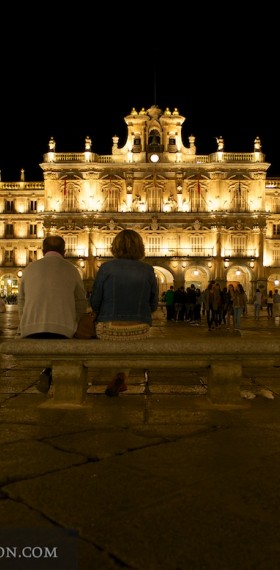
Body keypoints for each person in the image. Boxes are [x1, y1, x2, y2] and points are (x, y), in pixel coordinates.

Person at [89, 229, 158, 396]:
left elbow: (94, 302)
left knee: (113, 341)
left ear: (115, 247)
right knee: (128, 341)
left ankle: (118, 376)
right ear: (140, 248)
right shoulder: (148, 270)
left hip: (108, 327)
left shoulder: (106, 268)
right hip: (140, 328)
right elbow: (154, 305)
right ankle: (121, 376)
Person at [17, 235, 88, 393]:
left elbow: (21, 301)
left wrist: (24, 324)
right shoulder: (72, 269)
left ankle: (48, 372)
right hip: (62, 331)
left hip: (30, 331)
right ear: (64, 251)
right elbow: (81, 303)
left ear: (43, 251)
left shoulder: (29, 269)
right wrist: (74, 321)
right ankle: (53, 376)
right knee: (66, 341)